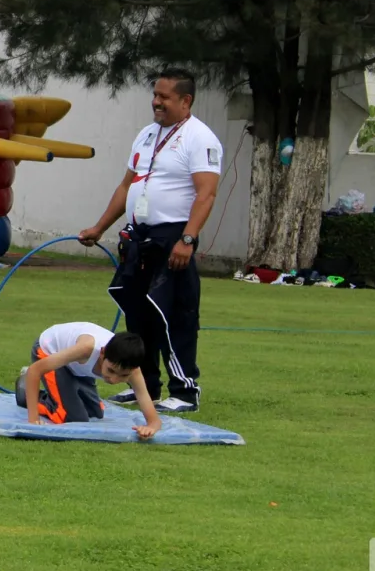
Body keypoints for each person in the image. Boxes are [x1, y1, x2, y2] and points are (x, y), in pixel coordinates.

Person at [77, 70, 221, 412]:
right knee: (138, 314)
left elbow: (207, 194)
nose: (156, 102)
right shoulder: (146, 135)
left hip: (173, 236)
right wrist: (99, 227)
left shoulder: (200, 138)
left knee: (172, 314)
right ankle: (145, 385)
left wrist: (187, 238)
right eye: (155, 95)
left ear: (185, 101)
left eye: (165, 97)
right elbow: (127, 186)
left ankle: (184, 390)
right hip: (140, 237)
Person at [16, 324, 162, 439]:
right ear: (102, 353)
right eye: (110, 371)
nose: (114, 379)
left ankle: (54, 395)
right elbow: (34, 370)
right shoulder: (86, 349)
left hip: (76, 366)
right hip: (49, 351)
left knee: (95, 413)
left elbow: (152, 417)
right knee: (72, 417)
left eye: (123, 376)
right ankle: (26, 393)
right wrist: (33, 420)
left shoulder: (133, 369)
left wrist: (150, 428)